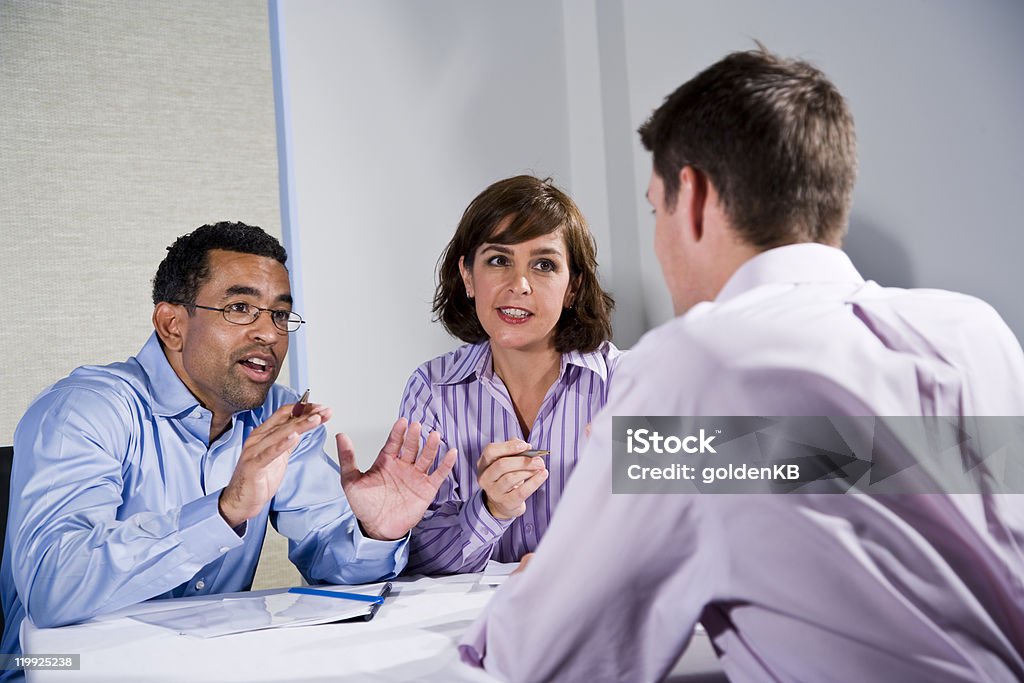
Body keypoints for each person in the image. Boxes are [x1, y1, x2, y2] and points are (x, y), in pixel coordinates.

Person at [459, 48, 1024, 681]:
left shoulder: (696, 367)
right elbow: (858, 465)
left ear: (693, 198)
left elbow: (544, 657)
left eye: (655, 208)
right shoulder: (977, 334)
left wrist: (570, 556)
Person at [0, 222, 456, 678]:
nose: (270, 334)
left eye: (280, 315)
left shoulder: (280, 414)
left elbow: (334, 567)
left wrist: (377, 533)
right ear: (172, 324)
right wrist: (222, 511)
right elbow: (51, 588)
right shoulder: (83, 410)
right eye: (241, 308)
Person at [397, 175, 619, 574]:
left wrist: (655, 467)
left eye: (544, 265)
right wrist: (489, 510)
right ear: (467, 276)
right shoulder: (431, 389)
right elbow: (416, 561)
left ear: (573, 288)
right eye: (499, 260)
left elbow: (762, 460)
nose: (519, 285)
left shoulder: (630, 380)